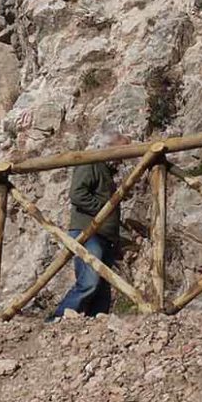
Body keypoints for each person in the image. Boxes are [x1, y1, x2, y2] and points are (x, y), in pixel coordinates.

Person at [48, 132, 129, 320]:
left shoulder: (106, 171)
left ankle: (95, 322)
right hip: (88, 231)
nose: (122, 160)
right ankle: (59, 317)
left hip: (104, 235)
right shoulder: (91, 161)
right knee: (90, 280)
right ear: (109, 147)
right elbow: (77, 194)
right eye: (121, 153)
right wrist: (103, 210)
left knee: (102, 285)